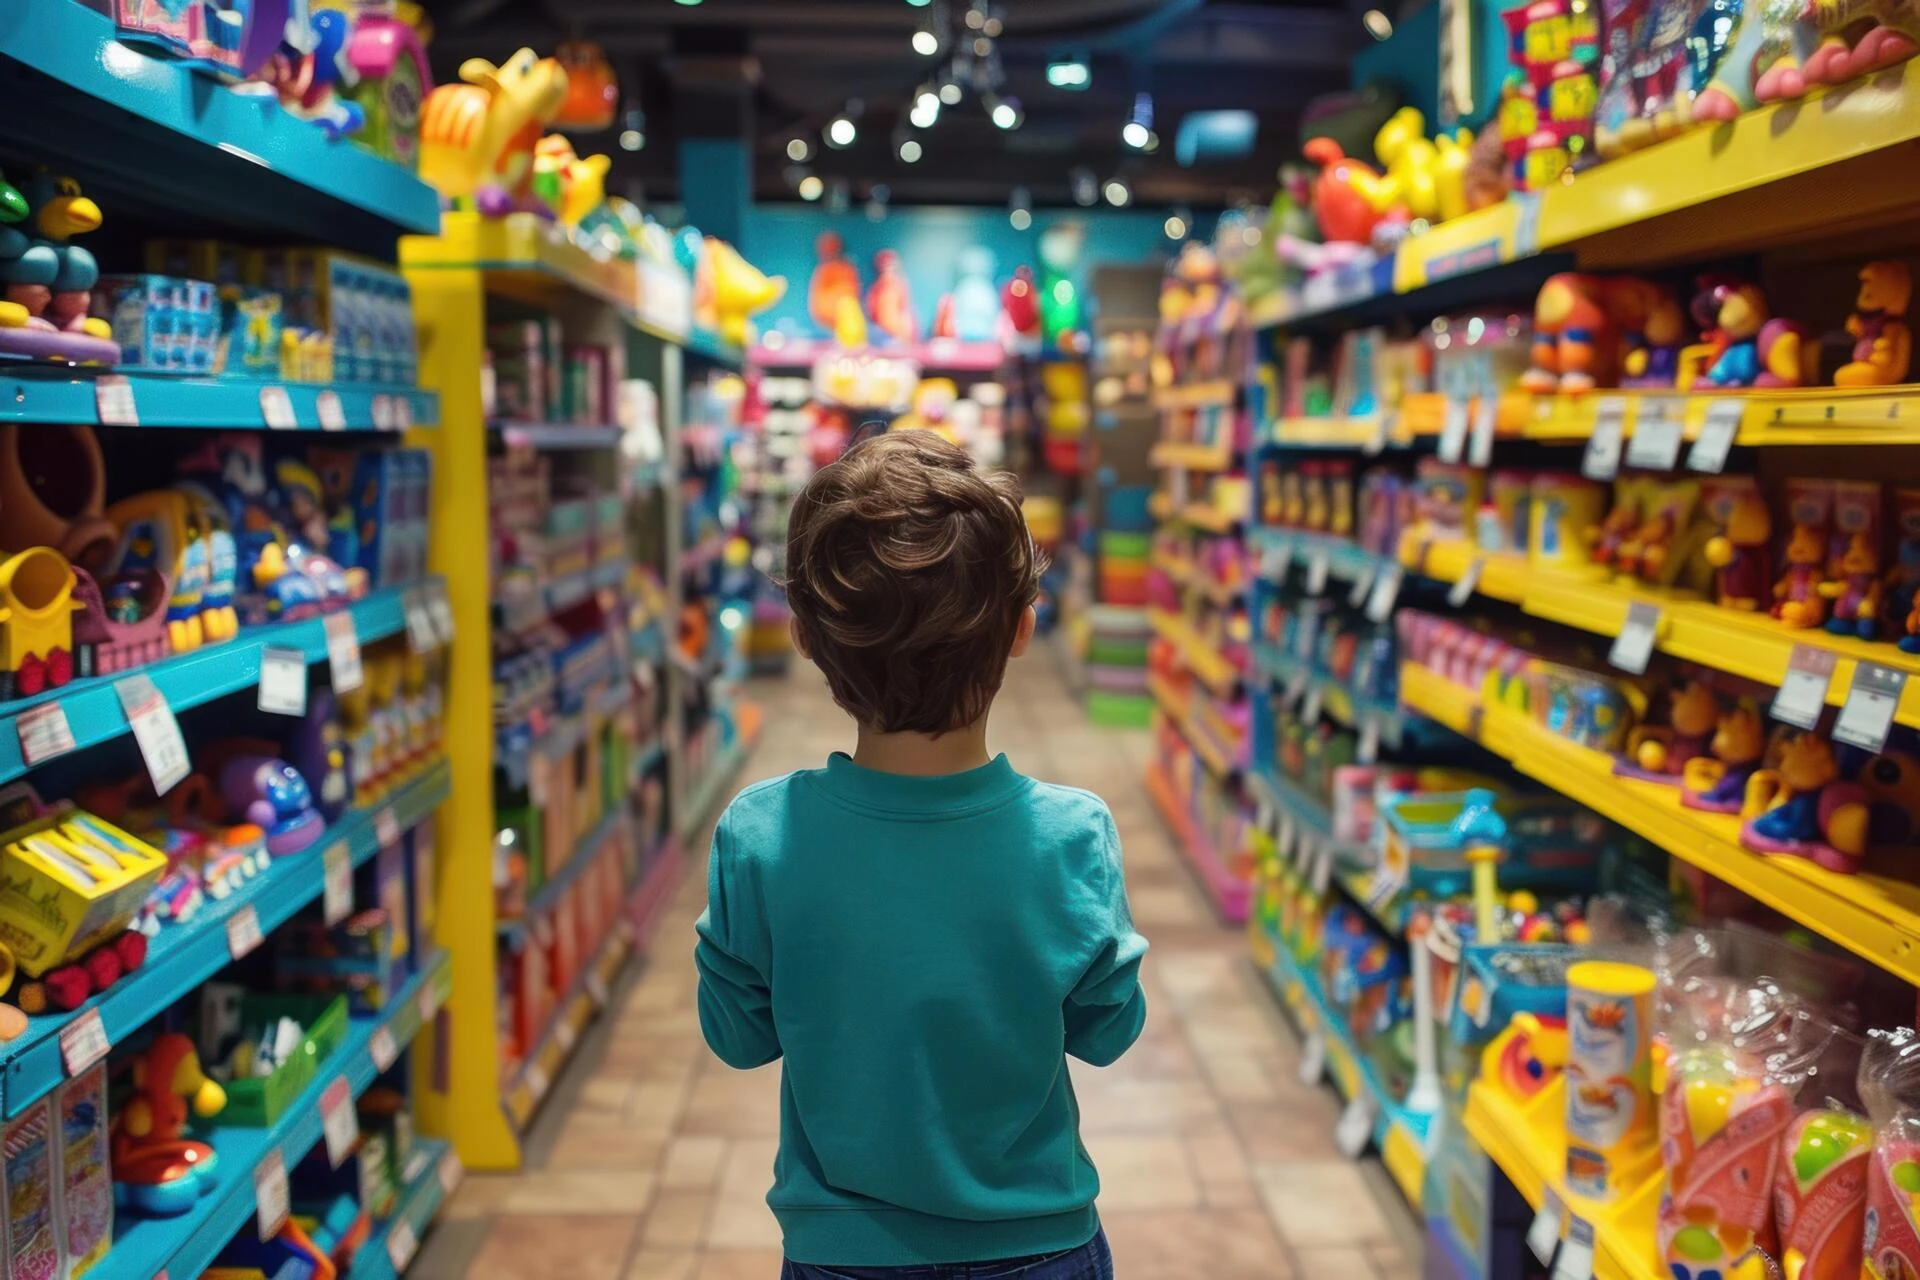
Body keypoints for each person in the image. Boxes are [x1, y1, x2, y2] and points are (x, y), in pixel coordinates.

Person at [695, 430, 1148, 1280]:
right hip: (1037, 1247)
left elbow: (737, 1038)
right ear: (1021, 630)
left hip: (840, 1254)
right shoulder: (1071, 836)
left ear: (803, 636)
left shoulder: (758, 837)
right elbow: (1109, 1032)